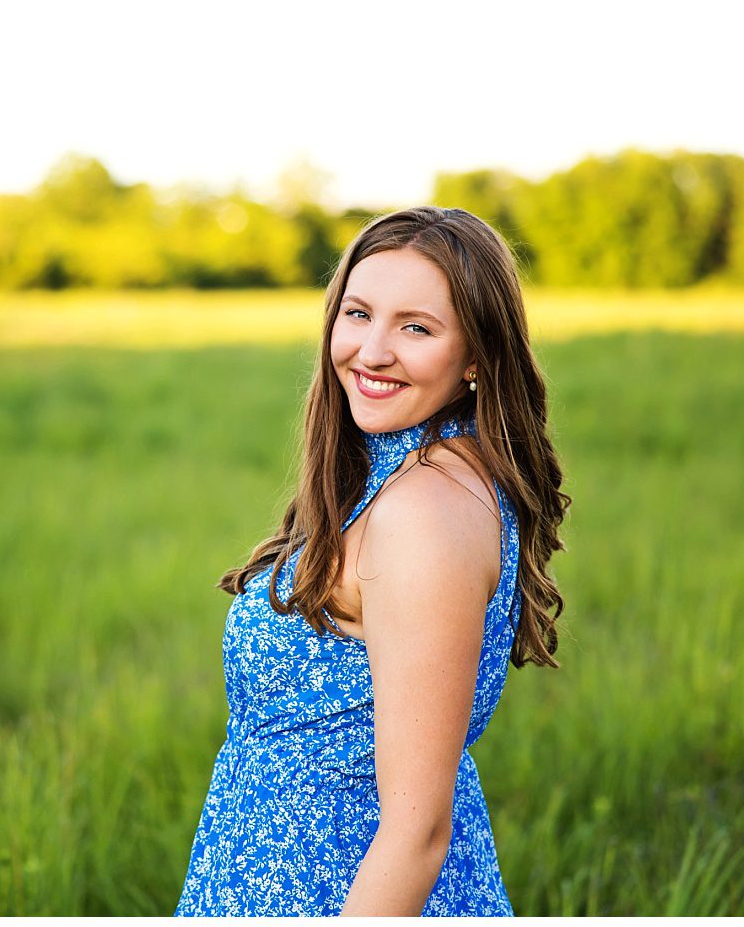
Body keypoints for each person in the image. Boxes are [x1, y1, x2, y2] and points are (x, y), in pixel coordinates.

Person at [176, 206, 568, 915]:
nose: (372, 351)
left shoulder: (423, 514)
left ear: (476, 354)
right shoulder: (406, 469)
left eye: (416, 327)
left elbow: (417, 833)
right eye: (358, 313)